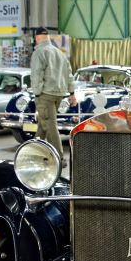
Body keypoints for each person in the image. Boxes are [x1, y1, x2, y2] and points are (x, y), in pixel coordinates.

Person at [30, 27, 75, 166]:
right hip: (59, 94)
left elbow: (37, 73)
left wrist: (37, 92)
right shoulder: (59, 53)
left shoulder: (39, 52)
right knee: (43, 125)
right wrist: (72, 92)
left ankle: (59, 158)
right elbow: (69, 74)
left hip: (46, 94)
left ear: (37, 38)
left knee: (50, 125)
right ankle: (33, 153)